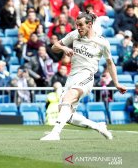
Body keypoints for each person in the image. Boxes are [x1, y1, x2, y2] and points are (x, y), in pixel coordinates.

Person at [40, 12, 126, 141]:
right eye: (77, 25)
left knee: (68, 99)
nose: (78, 27)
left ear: (89, 25)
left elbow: (110, 63)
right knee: (66, 114)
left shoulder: (102, 42)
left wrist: (117, 83)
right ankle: (98, 126)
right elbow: (54, 47)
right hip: (72, 77)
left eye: (81, 25)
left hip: (86, 76)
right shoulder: (74, 35)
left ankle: (55, 133)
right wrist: (64, 48)